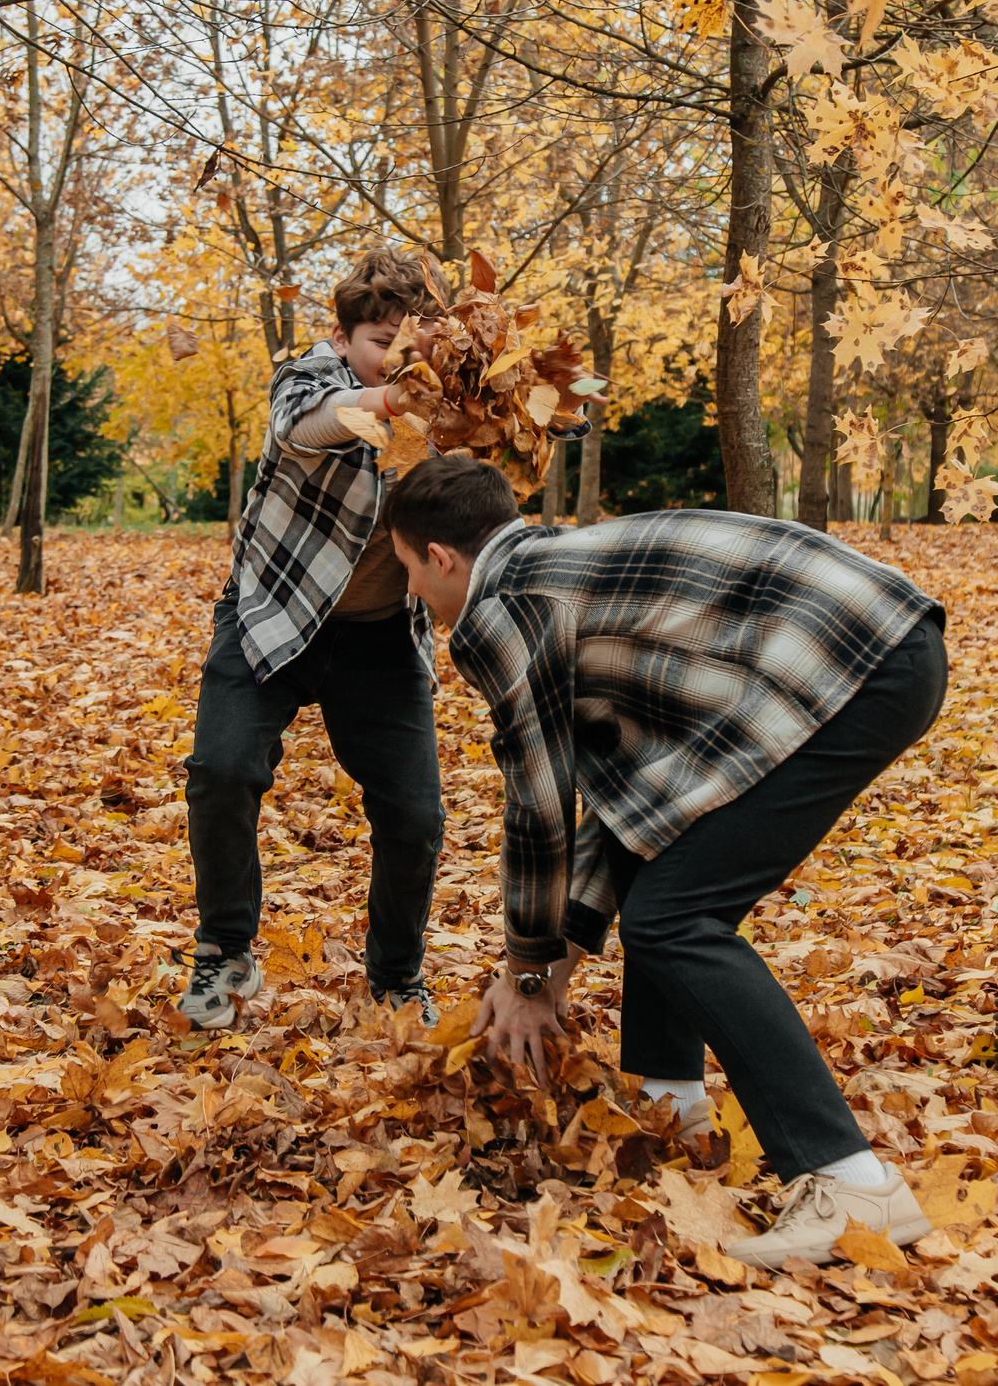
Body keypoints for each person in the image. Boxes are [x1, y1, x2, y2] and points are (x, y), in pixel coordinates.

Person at [387, 455, 950, 1268]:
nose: (411, 592)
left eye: (407, 568)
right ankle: (670, 1106)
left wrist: (531, 970)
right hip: (883, 642)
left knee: (675, 917)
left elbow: (540, 811)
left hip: (850, 659)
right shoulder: (556, 570)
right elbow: (628, 813)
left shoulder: (502, 609)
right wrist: (560, 953)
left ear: (440, 557)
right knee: (666, 873)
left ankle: (848, 1180)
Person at [177, 249, 452, 1030]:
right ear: (341, 336)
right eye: (380, 342)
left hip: (380, 638)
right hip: (272, 614)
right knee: (222, 769)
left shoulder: (443, 405)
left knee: (415, 814)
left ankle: (396, 977)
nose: (400, 359)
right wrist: (390, 398)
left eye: (414, 344)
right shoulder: (307, 378)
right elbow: (308, 427)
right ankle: (224, 951)